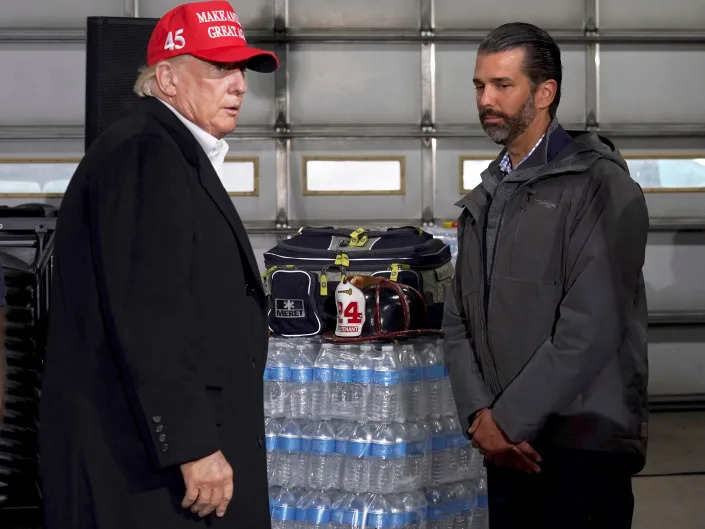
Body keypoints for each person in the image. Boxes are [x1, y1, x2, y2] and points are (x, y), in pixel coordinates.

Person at [39, 2, 278, 528]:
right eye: (219, 69)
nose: (239, 84)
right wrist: (192, 447)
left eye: (241, 70)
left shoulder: (169, 152)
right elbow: (150, 316)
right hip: (150, 474)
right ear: (167, 78)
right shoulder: (146, 155)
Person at [442, 22, 649, 529]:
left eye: (502, 85)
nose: (485, 99)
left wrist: (506, 421)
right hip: (503, 446)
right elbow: (456, 318)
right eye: (479, 85)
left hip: (581, 446)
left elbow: (591, 326)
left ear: (545, 92)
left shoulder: (599, 187)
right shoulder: (487, 194)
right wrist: (479, 420)